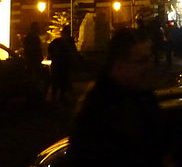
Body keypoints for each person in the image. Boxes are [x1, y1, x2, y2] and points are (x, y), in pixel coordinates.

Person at [67, 27, 170, 166]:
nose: (149, 66)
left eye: (150, 59)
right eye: (142, 61)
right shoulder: (97, 109)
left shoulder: (143, 95)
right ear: (119, 64)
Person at [47, 25, 80, 104]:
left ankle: (55, 100)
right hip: (64, 65)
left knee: (57, 83)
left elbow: (50, 49)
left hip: (58, 65)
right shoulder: (68, 42)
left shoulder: (57, 42)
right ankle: (61, 99)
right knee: (63, 83)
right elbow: (74, 53)